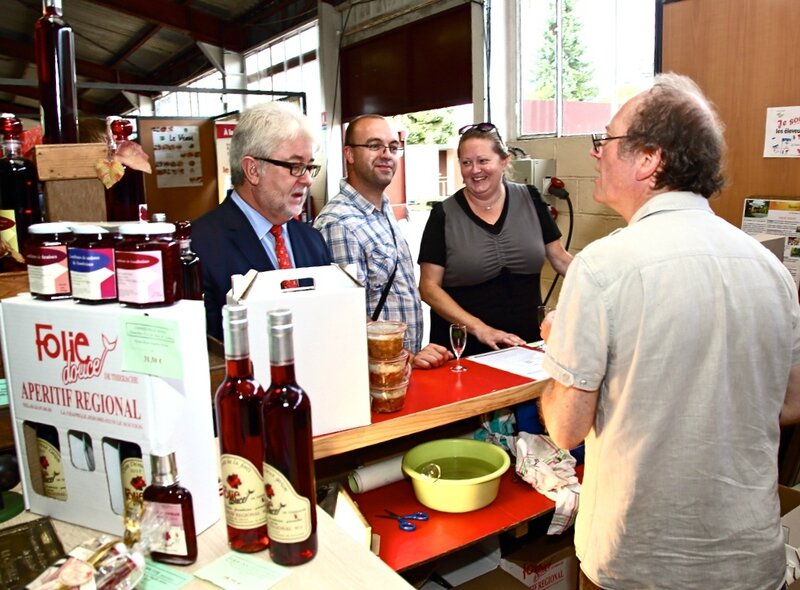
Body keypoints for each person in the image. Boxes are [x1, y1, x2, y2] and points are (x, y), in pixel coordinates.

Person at [539, 73, 800, 590]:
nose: (596, 155)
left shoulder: (602, 266)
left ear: (649, 158)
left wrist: (559, 351)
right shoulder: (770, 267)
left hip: (641, 562)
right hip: (750, 559)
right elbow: (790, 403)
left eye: (607, 141)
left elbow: (566, 430)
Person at [417, 122, 572, 355]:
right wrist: (480, 328)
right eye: (466, 163)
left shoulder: (530, 199)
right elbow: (428, 287)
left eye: (483, 161)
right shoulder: (444, 215)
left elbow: (560, 258)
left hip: (524, 344)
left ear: (504, 161)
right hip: (464, 348)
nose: (475, 170)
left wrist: (603, 287)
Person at [314, 114, 451, 369]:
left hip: (398, 365)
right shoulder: (340, 223)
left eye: (392, 147)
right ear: (350, 154)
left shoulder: (383, 209)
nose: (386, 154)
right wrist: (410, 356)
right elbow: (347, 316)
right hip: (370, 374)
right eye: (374, 145)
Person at [193, 101, 331, 340]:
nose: (308, 180)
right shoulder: (199, 246)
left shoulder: (312, 240)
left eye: (309, 166)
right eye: (295, 166)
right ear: (253, 170)